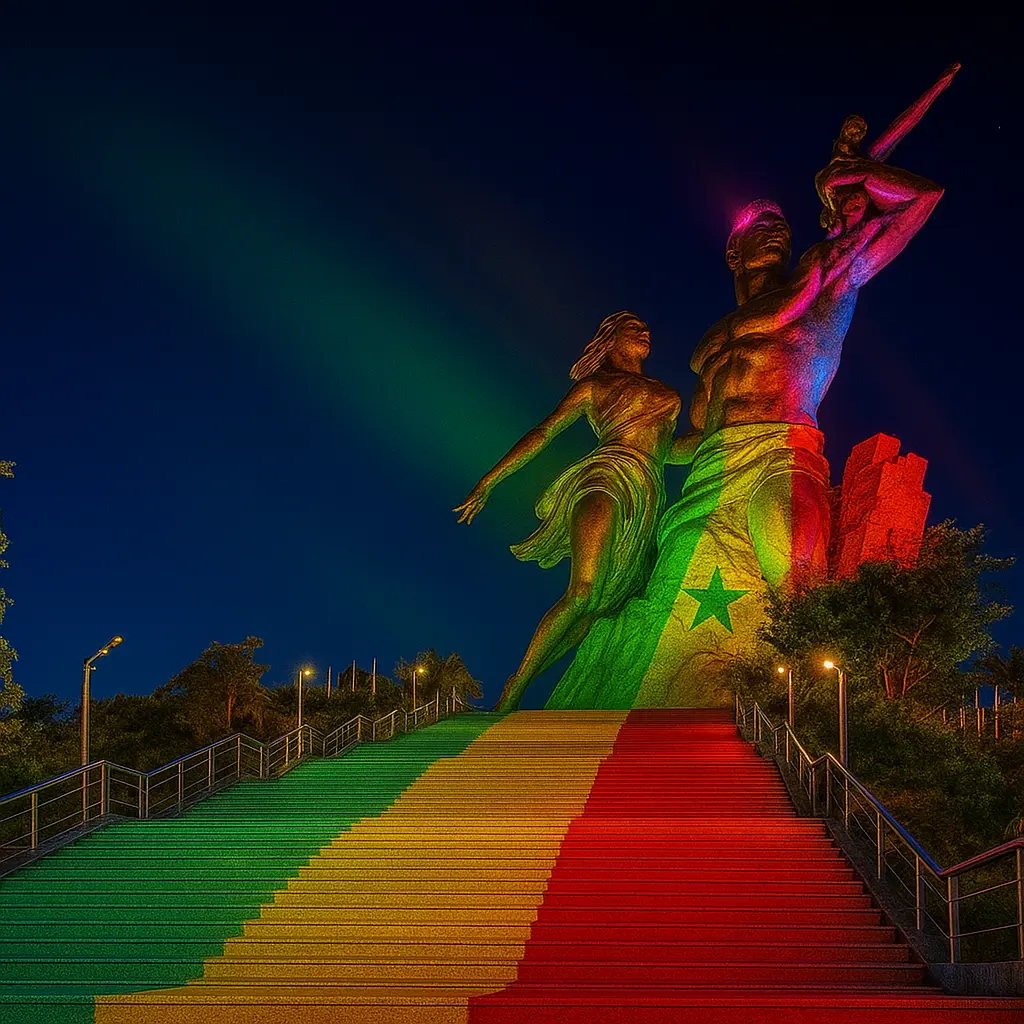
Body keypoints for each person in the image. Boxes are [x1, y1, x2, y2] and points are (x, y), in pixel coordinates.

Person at [454, 311, 687, 711]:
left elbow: (671, 451)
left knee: (600, 607)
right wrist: (488, 482)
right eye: (634, 328)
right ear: (610, 339)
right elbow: (544, 432)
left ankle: (540, 683)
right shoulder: (594, 386)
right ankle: (517, 684)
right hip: (607, 476)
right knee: (583, 592)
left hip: (649, 491)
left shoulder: (663, 390)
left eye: (647, 328)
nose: (645, 332)